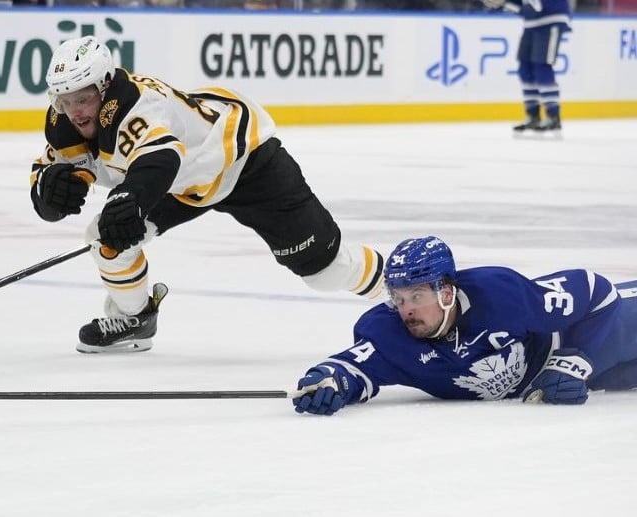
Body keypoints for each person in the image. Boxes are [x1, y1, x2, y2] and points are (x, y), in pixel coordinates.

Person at [291, 192, 637, 414]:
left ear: (447, 291)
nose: (406, 309)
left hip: (574, 342)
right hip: (549, 379)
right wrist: (327, 382)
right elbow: (350, 368)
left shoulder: (501, 294)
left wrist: (575, 360)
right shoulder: (390, 334)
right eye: (398, 297)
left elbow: (594, 290)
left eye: (417, 296)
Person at [30, 36, 386, 354]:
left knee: (324, 272)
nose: (74, 110)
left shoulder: (137, 107)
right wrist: (48, 194)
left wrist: (131, 199)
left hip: (242, 160)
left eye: (83, 98)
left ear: (105, 87)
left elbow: (160, 158)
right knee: (105, 237)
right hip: (184, 184)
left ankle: (399, 287)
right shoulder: (66, 121)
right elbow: (47, 174)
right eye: (65, 100)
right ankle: (134, 317)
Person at [481, 0, 571, 133]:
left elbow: (536, 7)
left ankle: (553, 116)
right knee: (525, 69)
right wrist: (502, 4)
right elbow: (524, 8)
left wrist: (504, 4)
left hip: (551, 20)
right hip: (531, 24)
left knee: (542, 67)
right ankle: (532, 116)